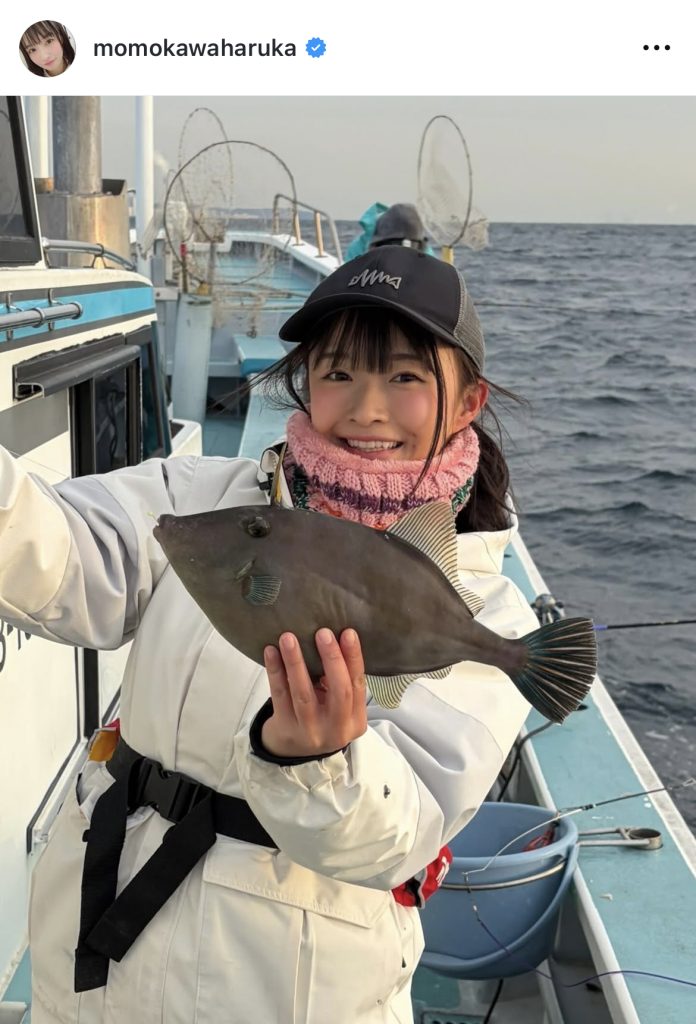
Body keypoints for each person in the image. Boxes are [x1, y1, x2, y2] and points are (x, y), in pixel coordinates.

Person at [3, 244, 540, 1023]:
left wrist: (320, 762)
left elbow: (399, 834)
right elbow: (59, 549)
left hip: (288, 988)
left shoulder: (485, 613)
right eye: (338, 372)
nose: (366, 407)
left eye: (405, 377)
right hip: (96, 957)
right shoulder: (207, 497)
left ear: (466, 403)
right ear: (305, 381)